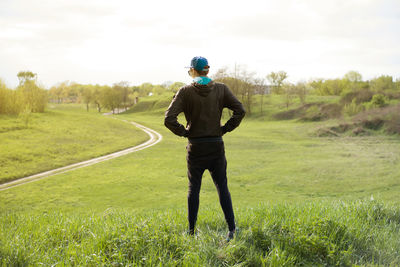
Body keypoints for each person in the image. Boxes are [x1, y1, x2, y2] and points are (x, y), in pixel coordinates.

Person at [164, 56, 246, 241]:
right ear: (207, 71)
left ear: (193, 70)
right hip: (216, 146)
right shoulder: (221, 89)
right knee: (222, 187)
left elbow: (169, 119)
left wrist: (185, 133)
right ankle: (232, 230)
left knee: (194, 188)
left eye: (189, 70)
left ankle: (191, 232)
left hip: (196, 148)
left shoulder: (185, 91)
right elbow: (240, 110)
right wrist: (224, 129)